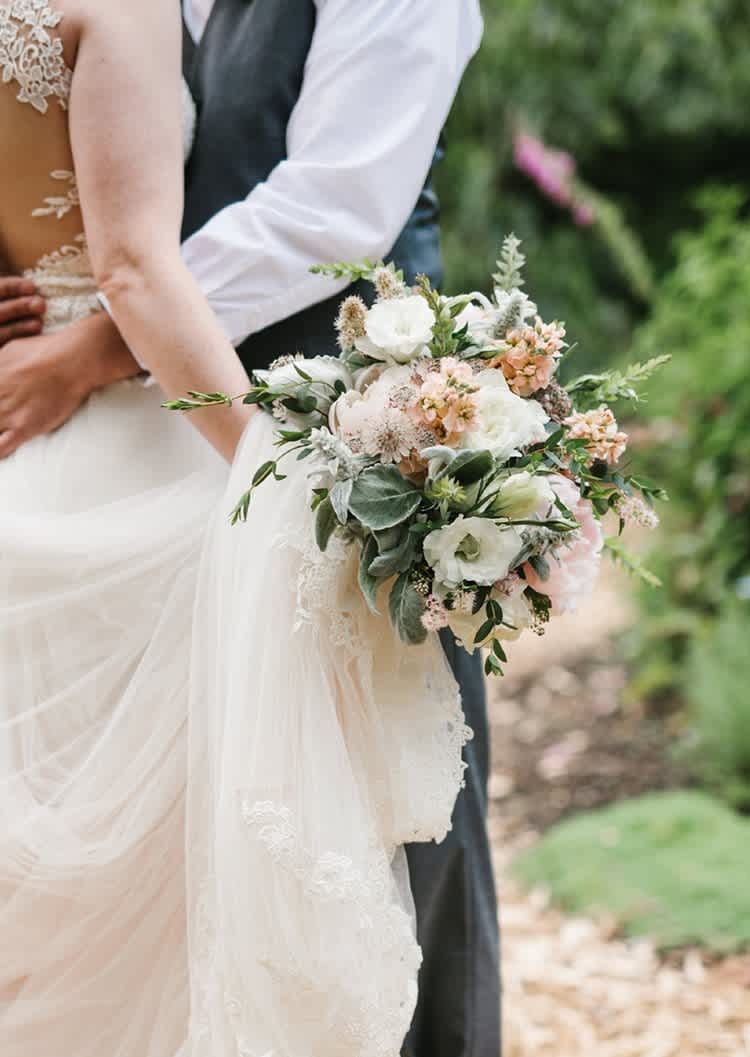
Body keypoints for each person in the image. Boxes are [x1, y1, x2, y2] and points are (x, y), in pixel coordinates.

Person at [0, 1, 500, 1055]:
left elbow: (332, 211)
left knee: (398, 810)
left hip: (340, 433)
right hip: (154, 453)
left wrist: (92, 346)